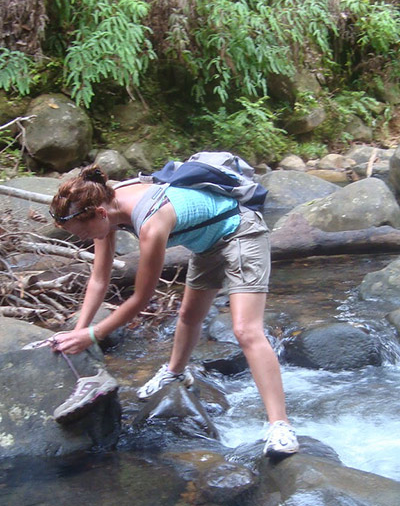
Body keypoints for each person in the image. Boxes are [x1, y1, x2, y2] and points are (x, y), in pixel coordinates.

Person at [48, 165, 298, 457]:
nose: (83, 239)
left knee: (245, 330)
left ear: (100, 214)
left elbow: (142, 298)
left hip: (241, 232)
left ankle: (280, 426)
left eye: (82, 233)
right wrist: (79, 330)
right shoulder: (104, 204)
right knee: (189, 316)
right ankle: (175, 373)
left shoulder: (151, 223)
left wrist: (94, 335)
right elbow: (99, 279)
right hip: (207, 244)